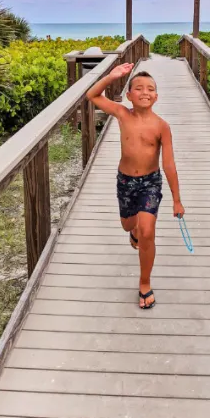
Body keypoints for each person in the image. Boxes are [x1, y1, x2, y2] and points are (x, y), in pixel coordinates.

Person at [86, 63, 184, 309]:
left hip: (151, 182)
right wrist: (112, 76)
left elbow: (169, 164)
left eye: (150, 89)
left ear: (157, 96)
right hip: (125, 181)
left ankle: (144, 283)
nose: (144, 92)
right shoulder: (122, 114)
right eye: (138, 88)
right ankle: (133, 232)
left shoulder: (162, 126)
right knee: (129, 225)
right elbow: (92, 95)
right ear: (129, 95)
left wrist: (177, 199)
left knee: (148, 231)